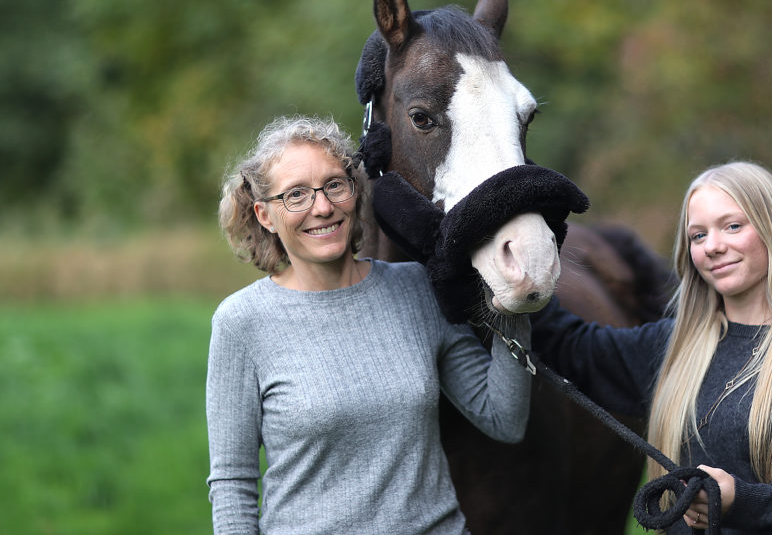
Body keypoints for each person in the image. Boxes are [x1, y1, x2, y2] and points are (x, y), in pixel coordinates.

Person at [206, 114, 532, 535]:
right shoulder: (241, 323)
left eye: (334, 185)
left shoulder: (415, 288)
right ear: (264, 215)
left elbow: (504, 419)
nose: (322, 207)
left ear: (354, 190)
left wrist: (513, 308)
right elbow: (233, 484)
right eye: (297, 195)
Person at [530, 161, 772, 534]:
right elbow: (568, 345)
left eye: (732, 226)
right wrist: (517, 259)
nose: (713, 246)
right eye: (698, 235)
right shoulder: (671, 349)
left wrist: (741, 501)